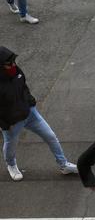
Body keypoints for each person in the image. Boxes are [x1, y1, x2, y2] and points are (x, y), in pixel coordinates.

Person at [0, 46, 78, 181]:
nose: (13, 65)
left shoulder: (15, 71)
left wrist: (30, 99)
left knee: (51, 136)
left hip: (30, 113)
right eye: (9, 64)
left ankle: (63, 164)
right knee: (10, 146)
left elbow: (23, 86)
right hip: (12, 121)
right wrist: (5, 125)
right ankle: (11, 165)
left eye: (13, 62)